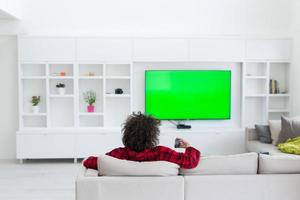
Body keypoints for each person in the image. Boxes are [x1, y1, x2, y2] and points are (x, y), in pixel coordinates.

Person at [83, 112, 200, 170]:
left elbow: (89, 162)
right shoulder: (162, 153)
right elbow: (191, 161)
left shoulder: (118, 154)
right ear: (153, 135)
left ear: (127, 133)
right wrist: (188, 147)